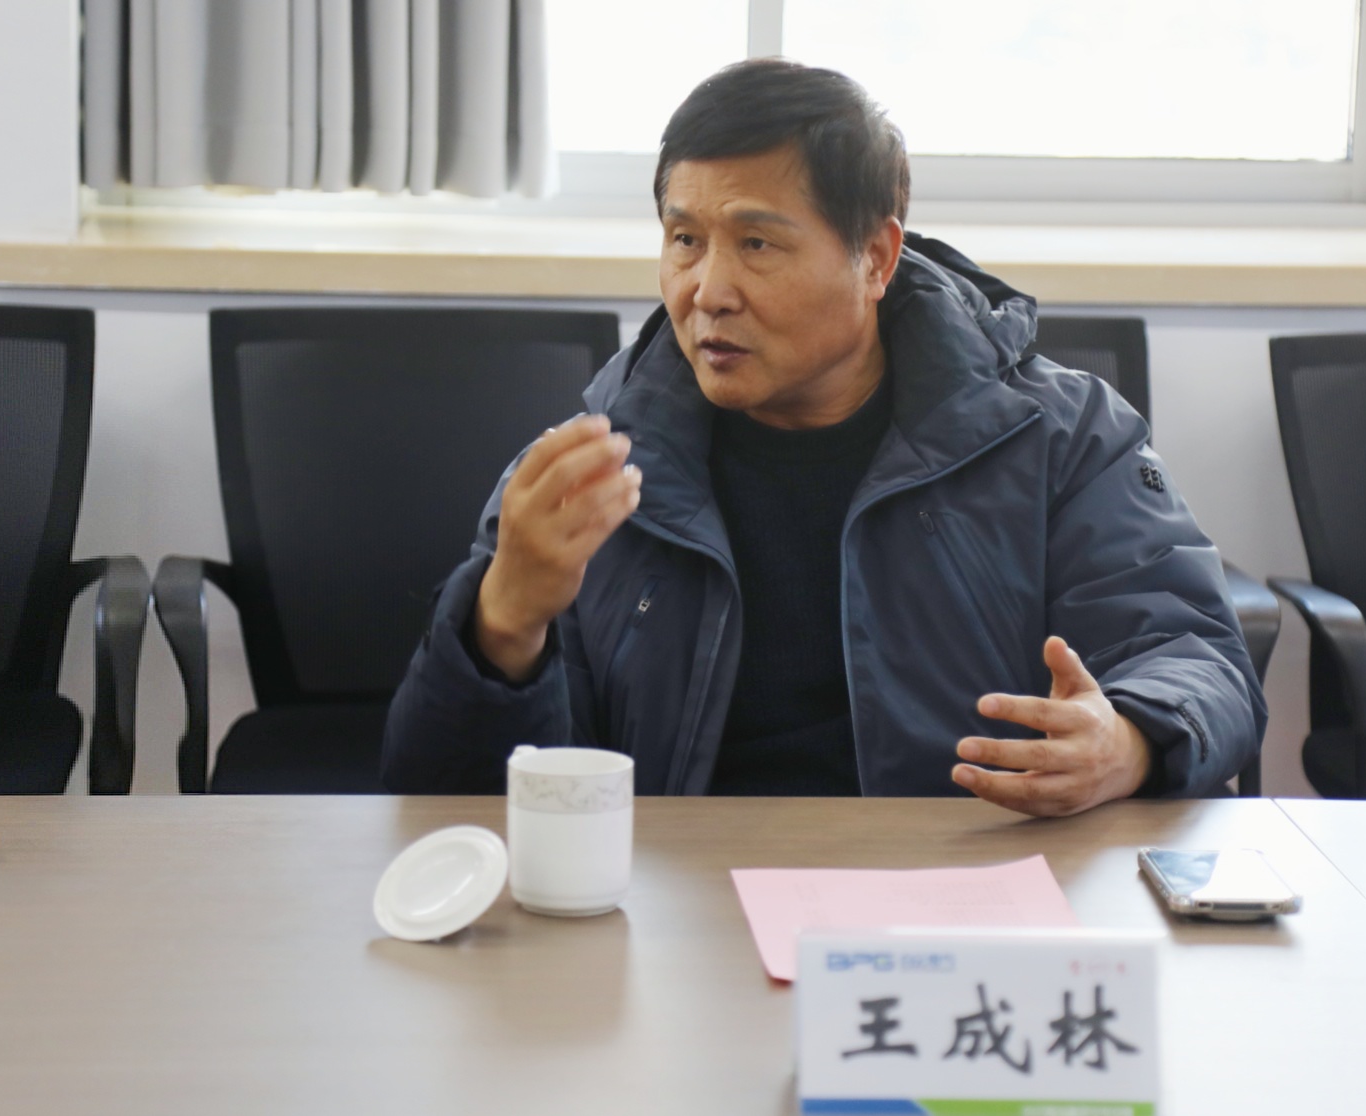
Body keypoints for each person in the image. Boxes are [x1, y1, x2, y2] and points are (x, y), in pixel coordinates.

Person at [382, 58, 1267, 815]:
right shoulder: (594, 471)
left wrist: (1129, 741)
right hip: (676, 908)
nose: (708, 291)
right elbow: (438, 797)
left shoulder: (1057, 437)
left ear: (875, 258)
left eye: (757, 245)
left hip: (964, 890)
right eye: (684, 239)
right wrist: (502, 625)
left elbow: (1197, 656)